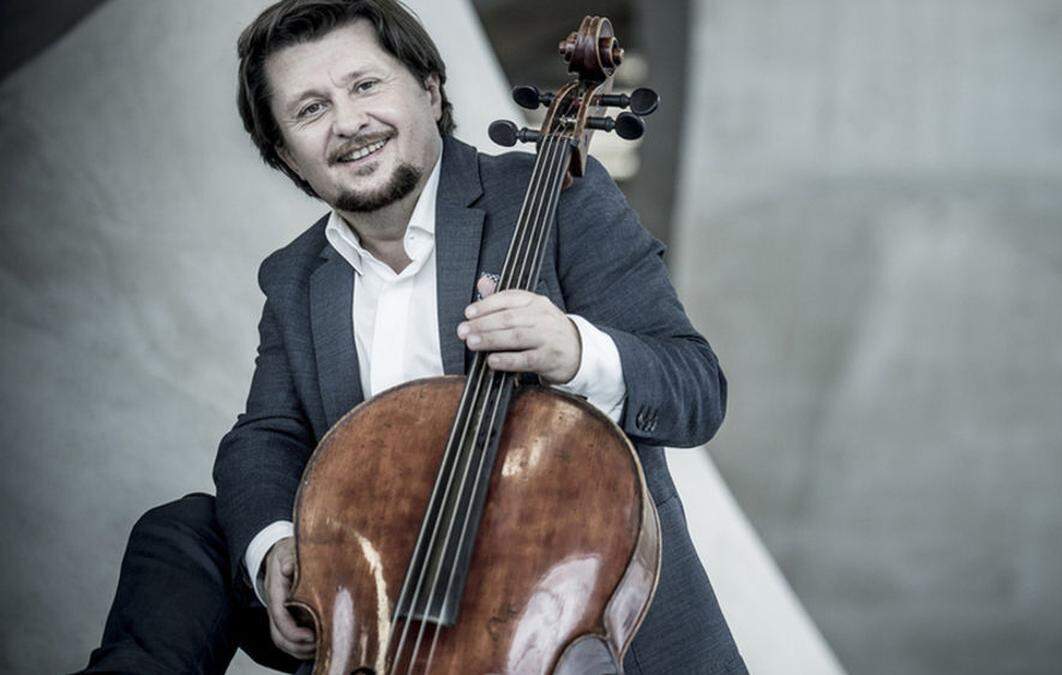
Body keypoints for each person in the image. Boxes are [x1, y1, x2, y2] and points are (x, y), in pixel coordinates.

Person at [80, 1, 745, 673]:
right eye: (310, 110)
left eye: (365, 85)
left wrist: (575, 350)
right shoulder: (296, 277)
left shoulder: (555, 199)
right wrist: (275, 543)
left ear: (430, 90)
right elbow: (266, 433)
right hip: (388, 605)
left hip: (556, 615)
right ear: (285, 153)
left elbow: (695, 386)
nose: (348, 122)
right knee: (185, 529)